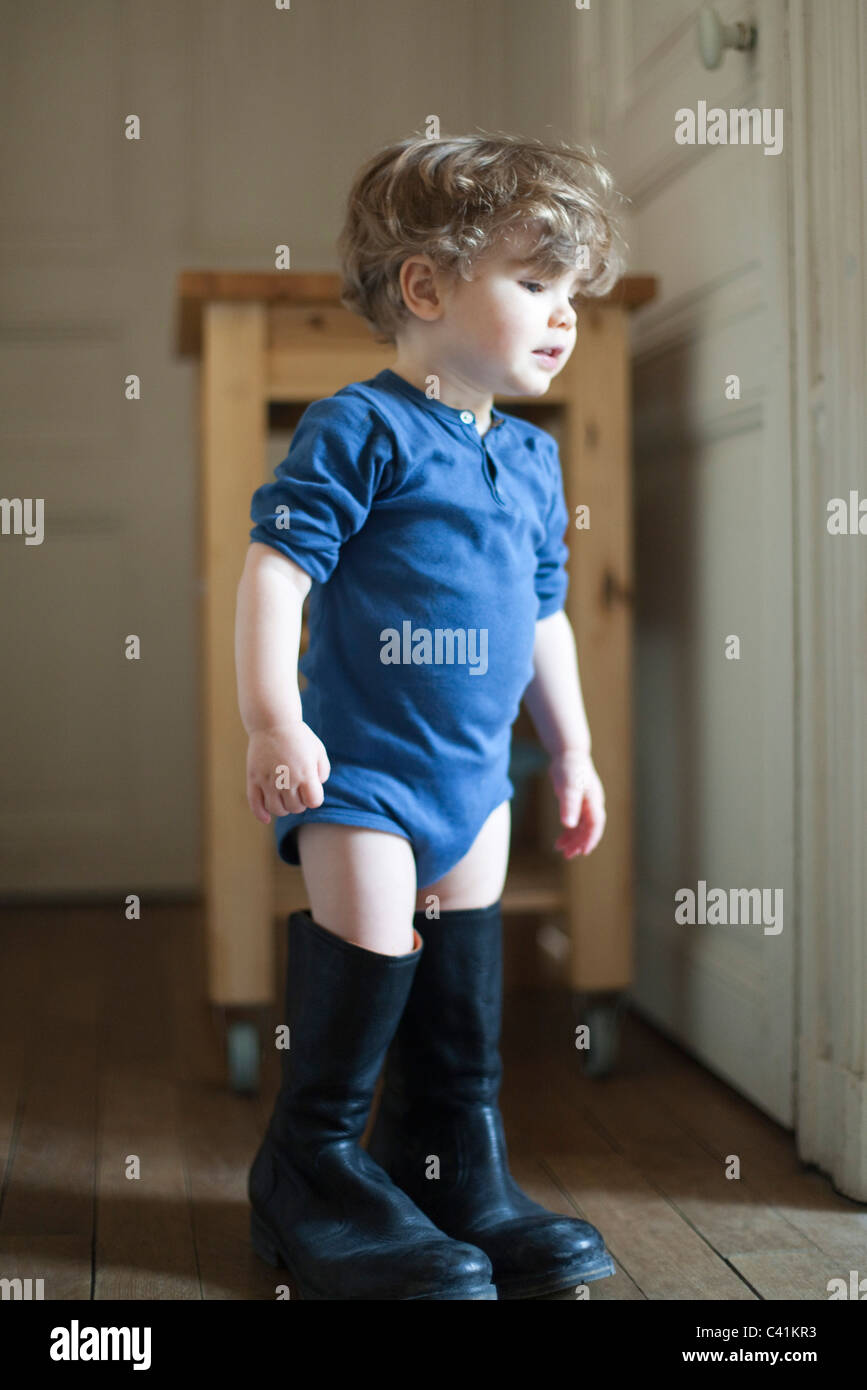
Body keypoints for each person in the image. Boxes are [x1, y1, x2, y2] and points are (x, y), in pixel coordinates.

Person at [235, 133, 628, 1300]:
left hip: (477, 783)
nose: (563, 316)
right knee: (365, 959)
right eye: (534, 282)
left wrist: (572, 746)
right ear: (427, 286)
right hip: (361, 774)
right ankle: (311, 1168)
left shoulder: (536, 459)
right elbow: (275, 571)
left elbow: (546, 615)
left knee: (460, 1011)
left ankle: (450, 1168)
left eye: (571, 293)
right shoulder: (360, 428)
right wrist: (270, 718)